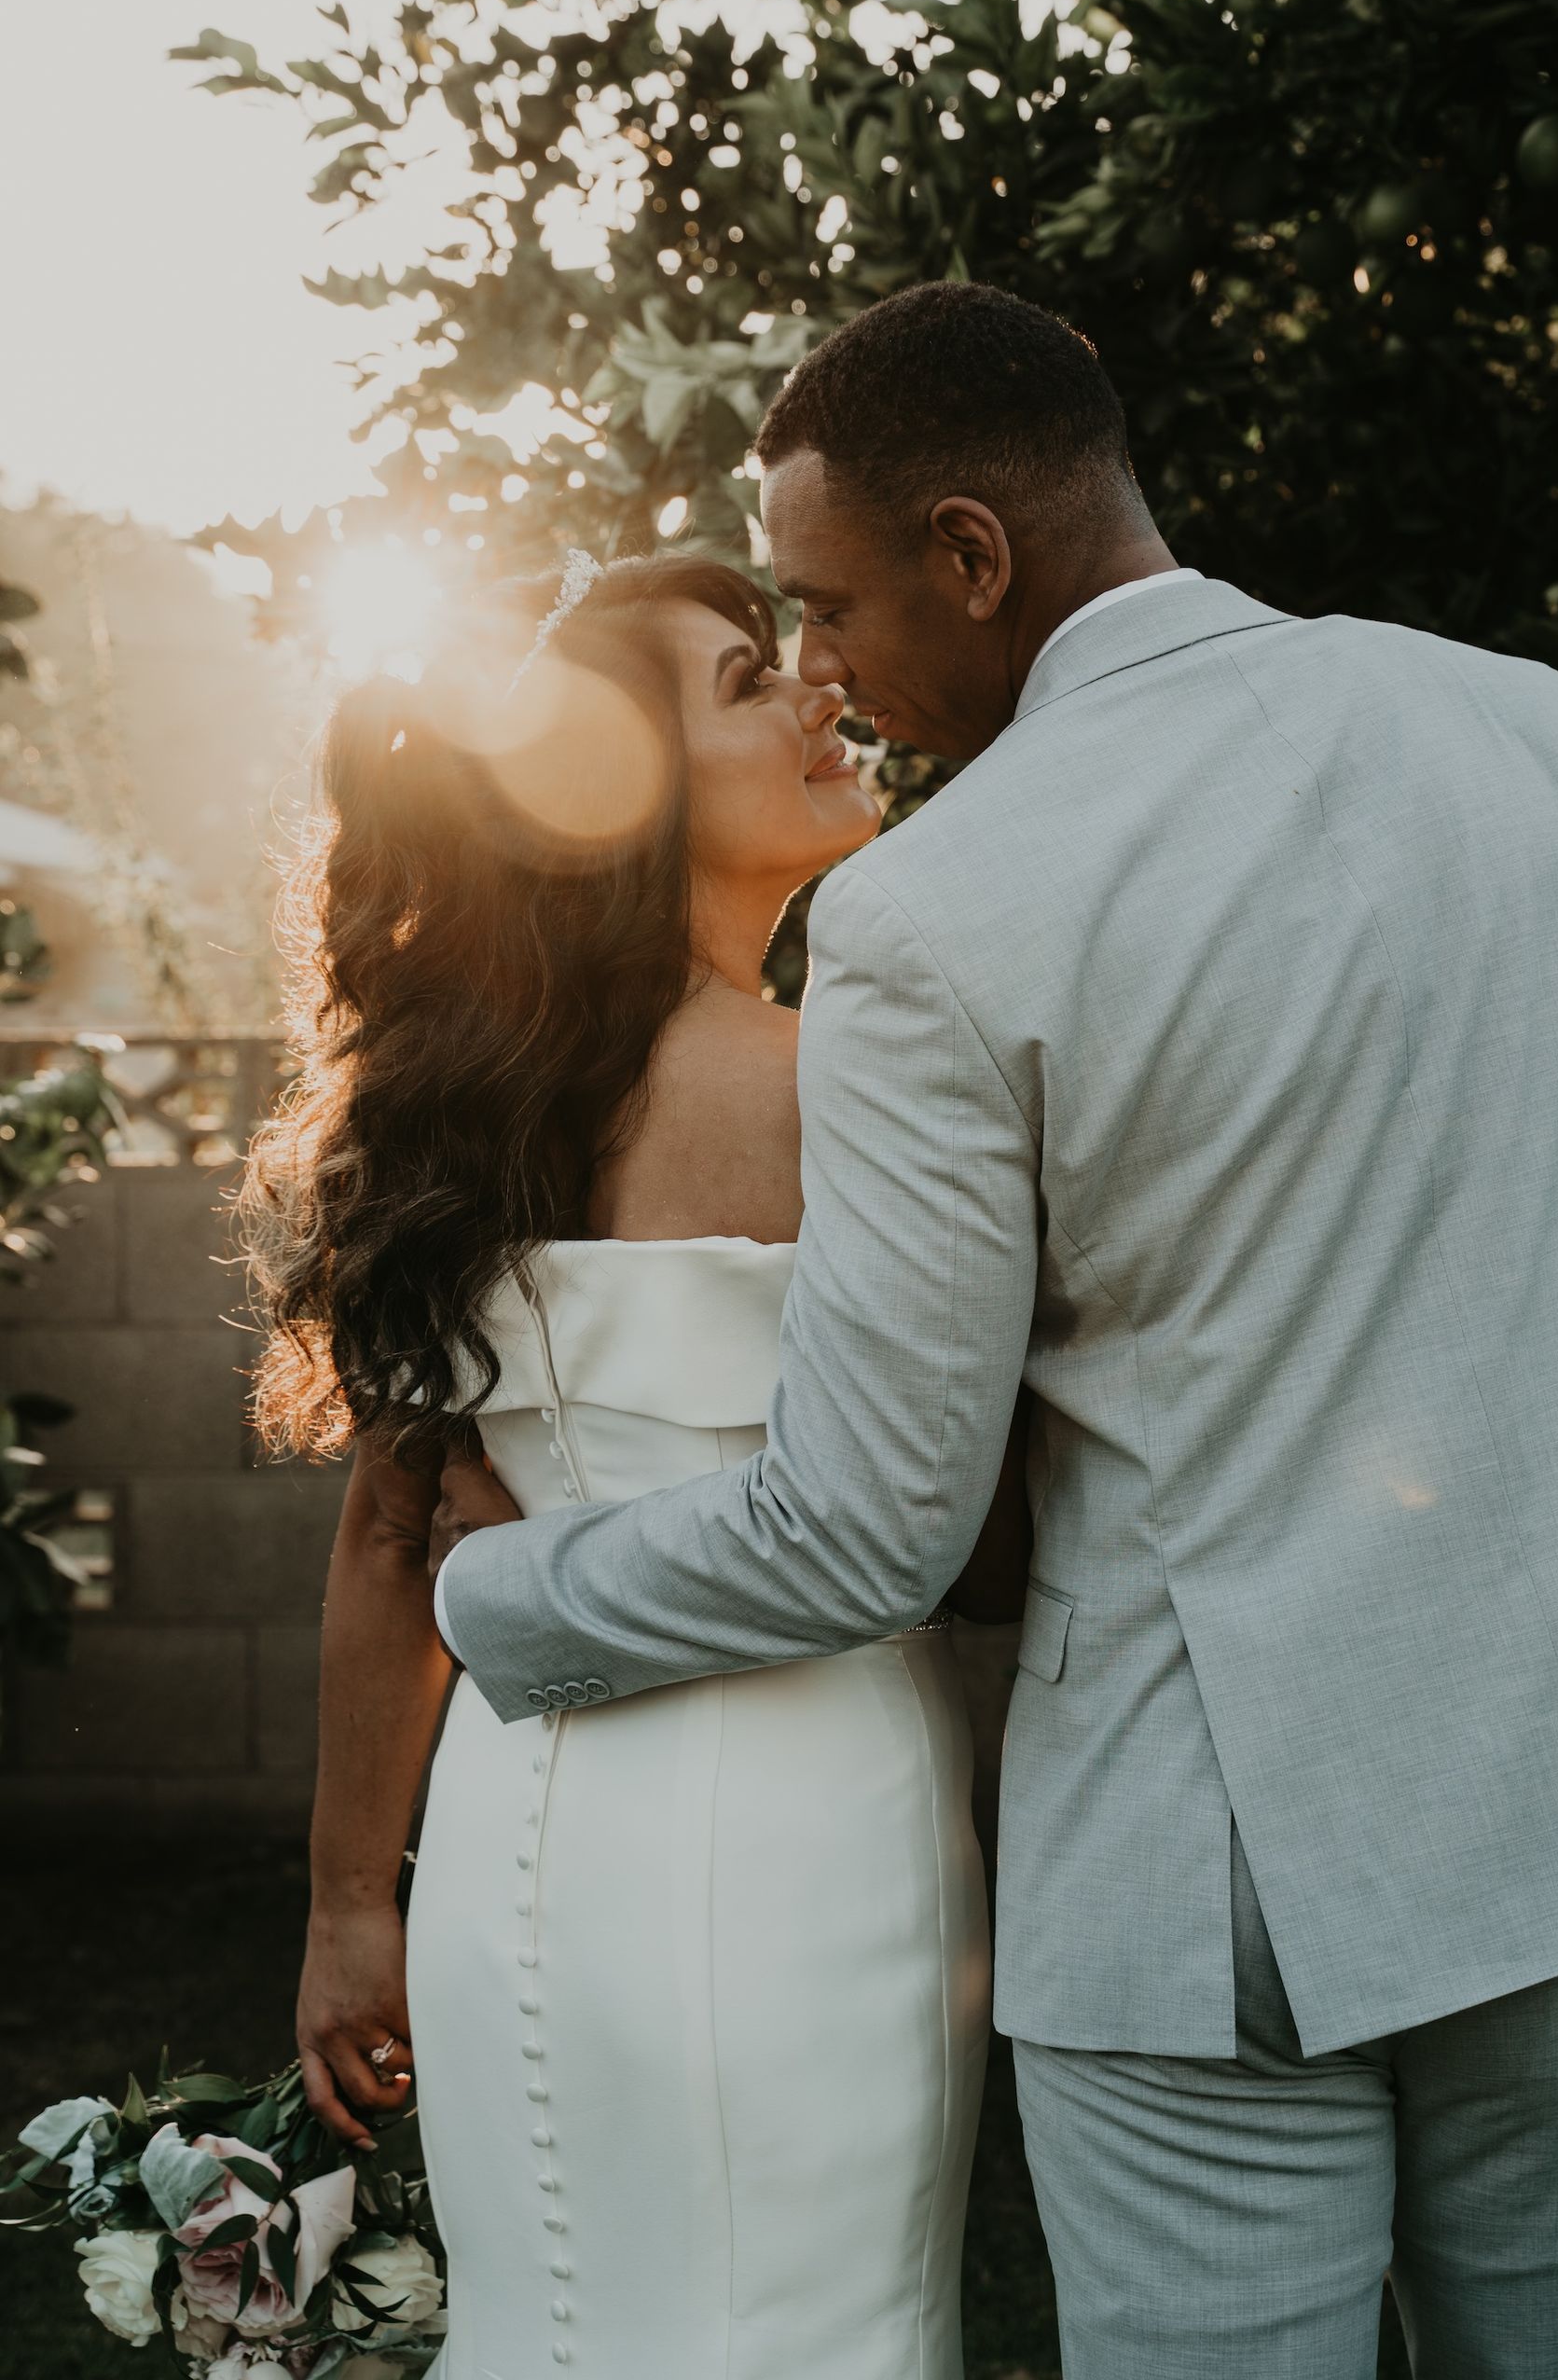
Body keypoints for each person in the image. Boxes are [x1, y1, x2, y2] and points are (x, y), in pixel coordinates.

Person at [432, 281, 1558, 2380]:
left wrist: (499, 1589)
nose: (825, 672)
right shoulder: (1548, 737)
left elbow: (870, 1527)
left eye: (832, 605)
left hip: (1193, 1887)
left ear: (975, 557)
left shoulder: (929, 915)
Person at [244, 552, 1019, 2380]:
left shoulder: (474, 1116)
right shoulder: (843, 1091)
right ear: (634, 788)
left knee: (564, 2317)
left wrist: (354, 1904)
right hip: (813, 1828)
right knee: (808, 2320)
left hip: (516, 1848)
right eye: (755, 678)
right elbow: (992, 1496)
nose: (822, 688)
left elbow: (388, 1538)